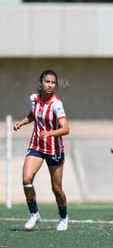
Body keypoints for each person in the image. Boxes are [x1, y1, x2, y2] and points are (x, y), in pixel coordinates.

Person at [13, 69, 70, 231]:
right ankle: (34, 214)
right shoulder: (34, 99)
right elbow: (33, 115)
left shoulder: (56, 104)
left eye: (53, 82)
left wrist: (51, 133)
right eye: (47, 82)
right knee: (26, 179)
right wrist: (22, 122)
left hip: (54, 150)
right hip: (36, 146)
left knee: (57, 188)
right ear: (41, 83)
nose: (50, 85)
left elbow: (66, 128)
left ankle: (63, 216)